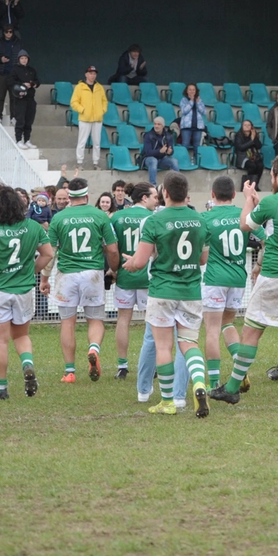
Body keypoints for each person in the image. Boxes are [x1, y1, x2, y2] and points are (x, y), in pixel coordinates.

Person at [210, 154, 278, 411]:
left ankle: (233, 389)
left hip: (276, 274)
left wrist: (249, 199)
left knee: (251, 331)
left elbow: (245, 225)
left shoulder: (273, 202)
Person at [121, 174, 211, 417]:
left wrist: (130, 264)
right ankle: (200, 384)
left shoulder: (154, 220)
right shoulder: (201, 220)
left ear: (166, 194)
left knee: (163, 345)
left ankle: (168, 401)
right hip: (191, 290)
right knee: (189, 343)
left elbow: (139, 262)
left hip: (163, 290)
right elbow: (203, 259)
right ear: (186, 193)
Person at [0, 185, 54, 401]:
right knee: (22, 335)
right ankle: (28, 364)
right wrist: (31, 270)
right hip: (23, 290)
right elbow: (48, 253)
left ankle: (1, 389)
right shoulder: (33, 226)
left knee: (0, 341)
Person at [43, 178, 119, 383]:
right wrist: (114, 269)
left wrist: (44, 279)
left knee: (67, 323)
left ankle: (69, 372)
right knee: (95, 319)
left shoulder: (58, 218)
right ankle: (93, 349)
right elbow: (112, 249)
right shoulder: (100, 216)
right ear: (87, 195)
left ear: (69, 197)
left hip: (67, 275)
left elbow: (50, 253)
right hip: (92, 273)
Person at [198, 177, 250, 392]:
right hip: (238, 278)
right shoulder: (244, 215)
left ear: (212, 195)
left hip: (215, 279)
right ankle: (240, 368)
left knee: (211, 329)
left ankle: (215, 383)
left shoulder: (205, 218)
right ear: (234, 195)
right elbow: (265, 239)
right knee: (227, 323)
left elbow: (203, 258)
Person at [110, 181, 156, 383]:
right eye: (154, 196)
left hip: (125, 273)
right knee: (153, 321)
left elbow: (112, 247)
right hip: (147, 275)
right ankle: (153, 364)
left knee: (123, 319)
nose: (157, 201)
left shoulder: (117, 217)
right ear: (144, 197)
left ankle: (122, 366)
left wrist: (114, 268)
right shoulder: (153, 217)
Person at [71, 65, 108, 170]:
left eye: (94, 74)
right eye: (91, 73)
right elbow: (74, 102)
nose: (93, 76)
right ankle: (79, 162)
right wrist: (82, 110)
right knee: (82, 141)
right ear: (86, 74)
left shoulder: (99, 87)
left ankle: (96, 163)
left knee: (97, 142)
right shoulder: (80, 87)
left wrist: (102, 111)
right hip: (85, 118)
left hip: (97, 118)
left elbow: (104, 101)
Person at [0, 25, 22, 124]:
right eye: (6, 32)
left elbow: (22, 56)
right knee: (0, 96)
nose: (8, 34)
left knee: (14, 97)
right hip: (2, 73)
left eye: (10, 32)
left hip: (14, 74)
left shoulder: (18, 43)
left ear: (13, 32)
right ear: (3, 32)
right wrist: (0, 59)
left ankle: (13, 117)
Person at [9, 49, 39, 149]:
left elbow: (37, 81)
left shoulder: (32, 70)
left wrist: (33, 84)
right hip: (20, 97)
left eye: (25, 58)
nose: (24, 60)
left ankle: (27, 139)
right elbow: (11, 82)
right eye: (22, 58)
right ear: (19, 59)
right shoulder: (15, 69)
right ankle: (18, 140)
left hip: (30, 97)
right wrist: (22, 84)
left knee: (29, 120)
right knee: (20, 119)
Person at [141, 117, 180, 184]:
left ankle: (179, 184)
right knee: (153, 160)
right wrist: (159, 151)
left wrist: (169, 152)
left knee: (174, 161)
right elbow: (147, 152)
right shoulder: (148, 135)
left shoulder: (168, 136)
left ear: (163, 126)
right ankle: (153, 185)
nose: (156, 126)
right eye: (155, 124)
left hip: (161, 160)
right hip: (148, 159)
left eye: (159, 124)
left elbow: (171, 150)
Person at [178, 84, 208, 163]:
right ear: (187, 91)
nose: (191, 91)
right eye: (190, 89)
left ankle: (196, 161)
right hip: (186, 127)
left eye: (193, 90)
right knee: (185, 144)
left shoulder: (199, 100)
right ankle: (183, 161)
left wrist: (197, 103)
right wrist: (191, 101)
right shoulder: (183, 100)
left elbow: (204, 112)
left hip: (198, 126)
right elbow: (184, 111)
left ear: (196, 91)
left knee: (197, 145)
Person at [232, 119, 264, 189]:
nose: (247, 126)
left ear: (251, 127)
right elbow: (241, 148)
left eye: (249, 125)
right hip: (243, 157)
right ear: (242, 126)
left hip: (253, 156)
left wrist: (254, 137)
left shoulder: (253, 135)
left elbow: (259, 146)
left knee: (260, 165)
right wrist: (251, 141)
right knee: (252, 166)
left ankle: (255, 184)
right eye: (245, 125)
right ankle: (248, 185)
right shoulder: (238, 136)